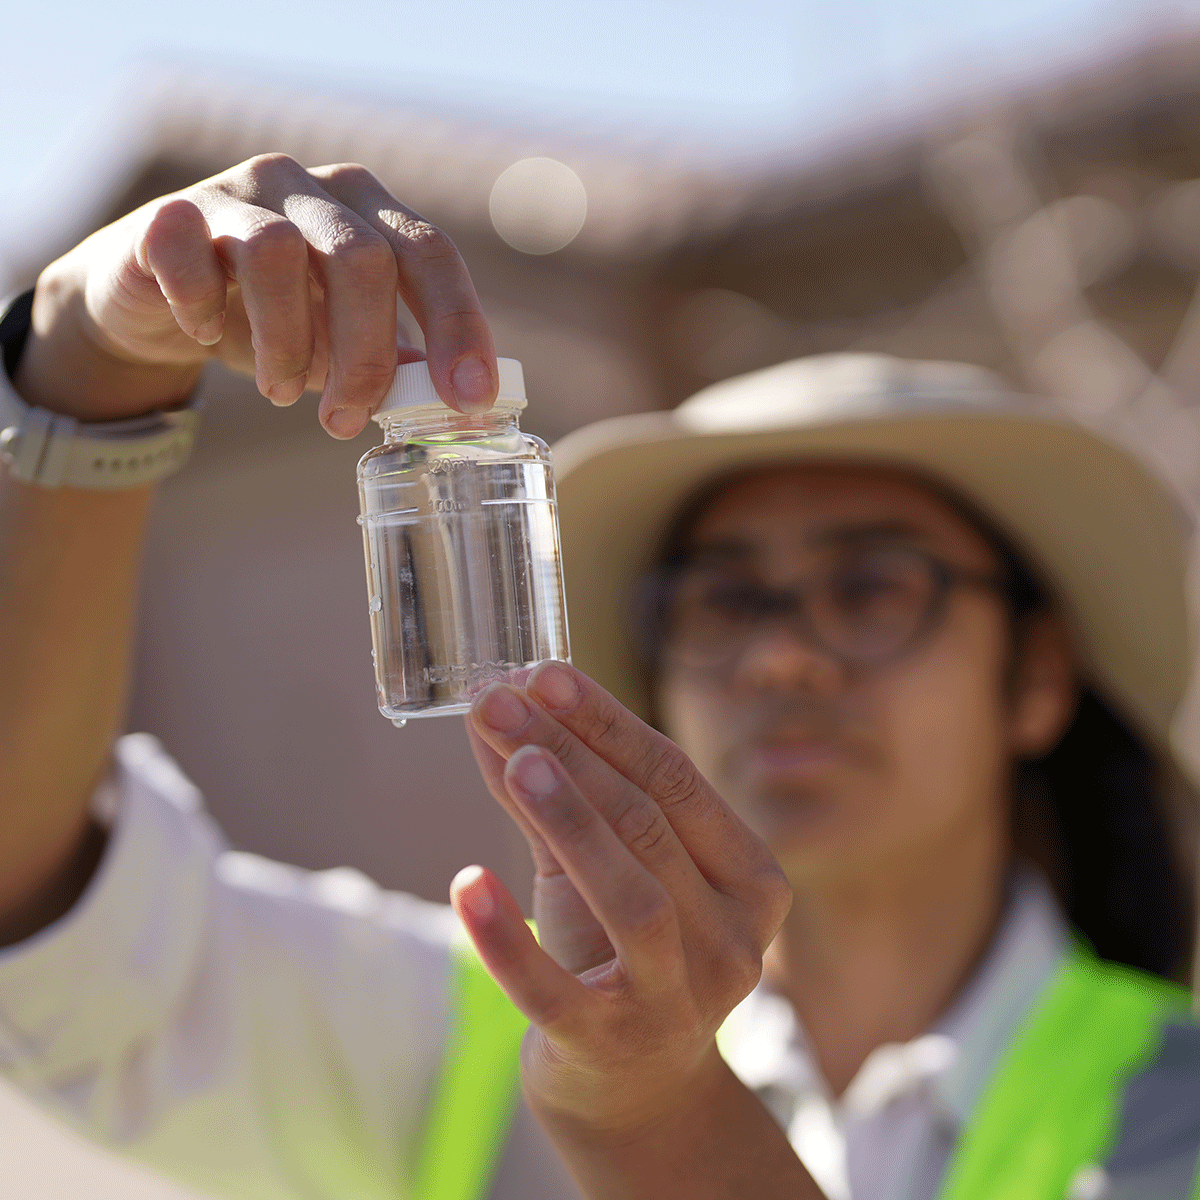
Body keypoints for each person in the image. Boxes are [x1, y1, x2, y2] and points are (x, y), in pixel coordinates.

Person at [0, 153, 1197, 1200]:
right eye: (725, 597)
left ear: (1039, 679)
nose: (780, 653)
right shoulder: (476, 1024)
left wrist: (655, 1117)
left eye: (874, 588)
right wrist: (85, 366)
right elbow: (54, 944)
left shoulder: (1173, 1108)